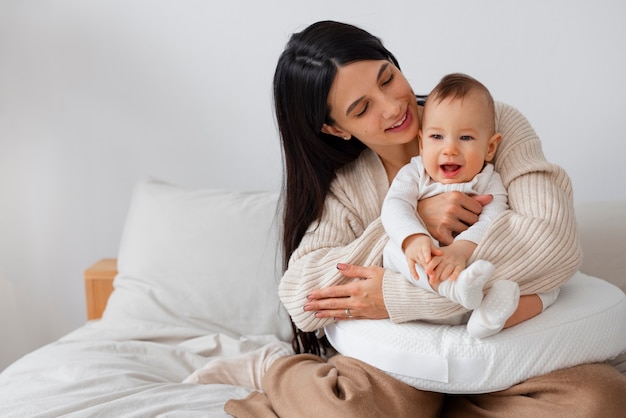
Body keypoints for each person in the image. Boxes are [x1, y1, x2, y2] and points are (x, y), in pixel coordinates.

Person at [220, 21, 626, 417]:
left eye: (387, 78)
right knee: (346, 410)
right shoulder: (349, 184)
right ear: (335, 128)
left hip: (504, 352)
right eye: (362, 109)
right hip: (398, 367)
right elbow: (302, 297)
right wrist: (409, 221)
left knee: (601, 401)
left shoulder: (488, 123)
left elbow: (554, 243)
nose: (394, 106)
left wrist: (397, 296)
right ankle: (285, 375)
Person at [381, 73, 558, 338]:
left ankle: (487, 319)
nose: (449, 149)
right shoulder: (415, 174)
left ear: (490, 148)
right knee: (391, 248)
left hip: (473, 271)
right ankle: (455, 291)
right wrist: (414, 238)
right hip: (426, 272)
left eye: (465, 138)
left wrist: (461, 251)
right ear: (421, 143)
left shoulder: (488, 181)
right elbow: (394, 205)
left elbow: (493, 222)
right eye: (437, 137)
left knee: (551, 286)